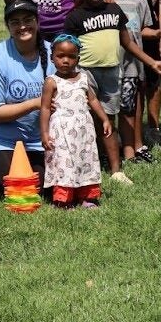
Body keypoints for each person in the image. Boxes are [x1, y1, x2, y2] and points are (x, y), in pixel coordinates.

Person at [64, 0, 161, 173]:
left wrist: (151, 61)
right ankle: (88, 163)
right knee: (88, 119)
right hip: (85, 74)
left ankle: (116, 169)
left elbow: (127, 43)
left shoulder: (114, 10)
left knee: (108, 119)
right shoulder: (75, 17)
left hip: (111, 73)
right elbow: (68, 50)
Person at [0, 0, 52, 196]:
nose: (22, 26)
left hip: (38, 138)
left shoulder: (55, 54)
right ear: (8, 27)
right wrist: (36, 103)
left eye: (27, 20)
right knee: (23, 192)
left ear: (37, 21)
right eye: (15, 22)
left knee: (46, 188)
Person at [97, 0, 158, 170]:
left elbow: (141, 29)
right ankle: (105, 150)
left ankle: (130, 151)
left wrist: (159, 33)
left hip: (132, 64)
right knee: (106, 109)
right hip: (108, 64)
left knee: (129, 108)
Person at [39, 34, 112, 207]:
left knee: (86, 160)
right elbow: (45, 108)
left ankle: (87, 197)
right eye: (61, 56)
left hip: (84, 132)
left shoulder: (83, 79)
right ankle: (64, 199)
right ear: (52, 57)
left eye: (71, 57)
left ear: (78, 58)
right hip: (62, 132)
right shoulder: (51, 82)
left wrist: (105, 119)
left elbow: (93, 100)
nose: (66, 61)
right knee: (64, 163)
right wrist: (44, 133)